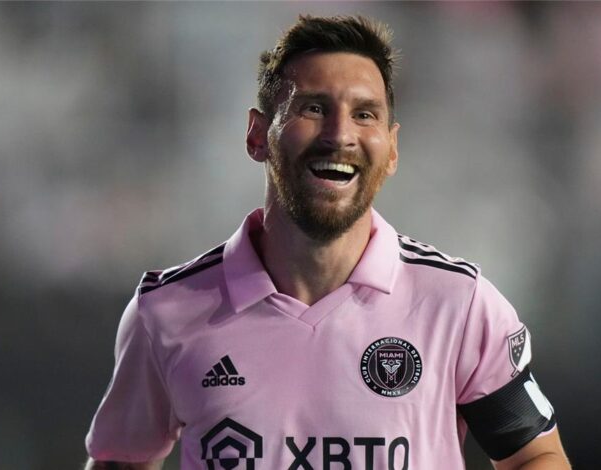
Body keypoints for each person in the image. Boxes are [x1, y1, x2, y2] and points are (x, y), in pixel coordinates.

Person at [85, 15, 570, 470]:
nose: (340, 135)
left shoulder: (459, 306)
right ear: (258, 136)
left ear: (392, 148)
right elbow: (119, 461)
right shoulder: (165, 313)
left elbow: (534, 456)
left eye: (364, 114)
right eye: (314, 108)